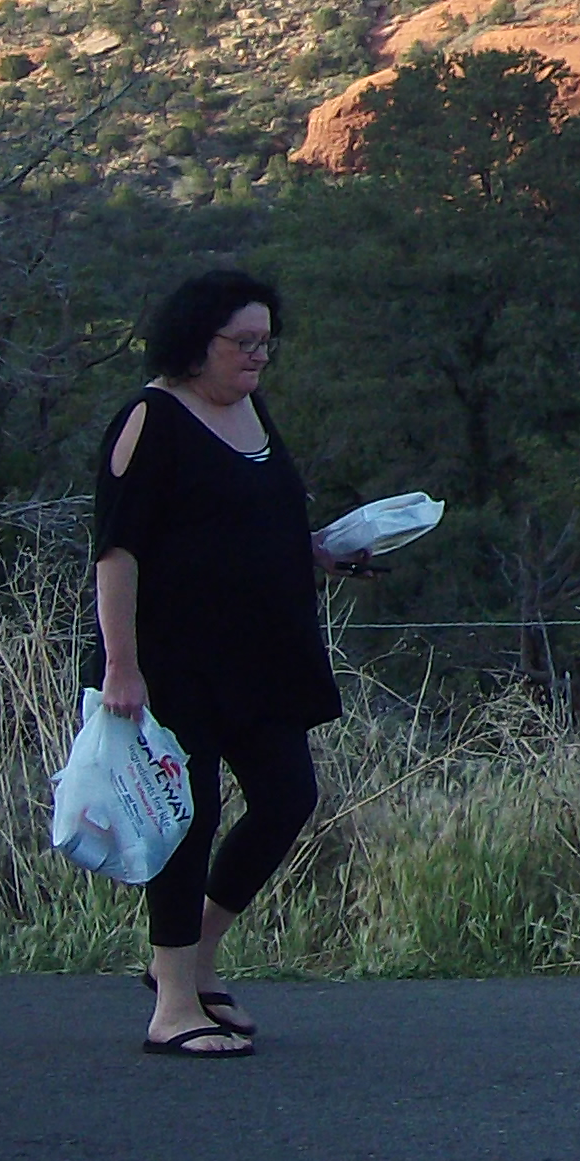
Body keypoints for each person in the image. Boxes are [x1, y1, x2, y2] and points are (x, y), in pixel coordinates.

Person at [93, 266, 366, 1058]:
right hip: (173, 657)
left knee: (288, 797)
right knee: (189, 816)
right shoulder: (150, 419)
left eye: (265, 344)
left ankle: (193, 959)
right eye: (240, 343)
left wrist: (319, 552)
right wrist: (122, 665)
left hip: (264, 653)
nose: (257, 358)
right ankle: (173, 1007)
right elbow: (117, 550)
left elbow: (252, 519)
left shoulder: (251, 409)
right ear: (194, 342)